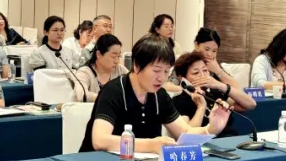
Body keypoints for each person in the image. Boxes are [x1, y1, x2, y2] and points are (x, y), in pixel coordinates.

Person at [80, 35, 230, 153]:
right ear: (137, 65)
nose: (162, 78)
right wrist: (151, 145)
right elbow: (100, 141)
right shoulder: (113, 91)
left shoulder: (160, 95)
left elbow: (185, 132)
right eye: (156, 70)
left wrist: (211, 129)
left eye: (166, 72)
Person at [189, 28, 259, 111]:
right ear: (196, 45)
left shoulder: (215, 69)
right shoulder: (187, 64)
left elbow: (239, 95)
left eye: (214, 51)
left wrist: (218, 71)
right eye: (206, 49)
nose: (210, 54)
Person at [72, 33, 127, 102]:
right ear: (98, 54)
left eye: (119, 56)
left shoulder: (120, 70)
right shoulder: (84, 72)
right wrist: (109, 98)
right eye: (113, 56)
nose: (117, 61)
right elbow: (82, 96)